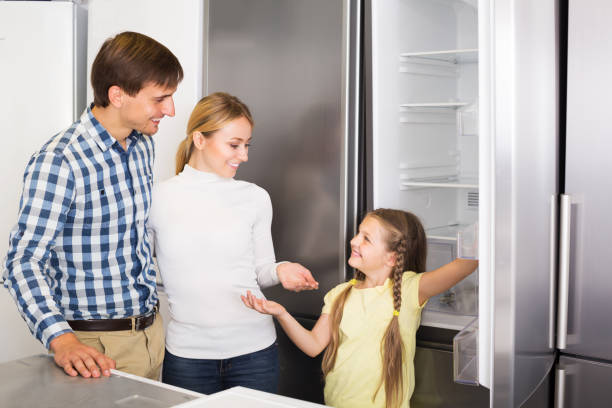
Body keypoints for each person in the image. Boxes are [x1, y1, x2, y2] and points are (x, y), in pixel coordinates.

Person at [2, 31, 183, 380]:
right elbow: (22, 262)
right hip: (95, 347)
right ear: (117, 95)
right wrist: (60, 338)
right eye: (161, 98)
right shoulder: (60, 161)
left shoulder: (142, 143)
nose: (171, 110)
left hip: (151, 335)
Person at [147, 92, 319, 394]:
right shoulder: (157, 198)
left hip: (255, 352)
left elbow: (261, 270)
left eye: (247, 145)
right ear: (200, 139)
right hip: (188, 356)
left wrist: (281, 270)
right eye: (234, 145)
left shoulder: (255, 197)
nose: (244, 156)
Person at [242, 209, 479, 408]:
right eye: (358, 233)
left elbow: (465, 265)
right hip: (336, 402)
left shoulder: (409, 290)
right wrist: (281, 313)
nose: (354, 240)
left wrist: (487, 229)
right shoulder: (340, 294)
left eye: (366, 238)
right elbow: (313, 346)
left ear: (392, 258)